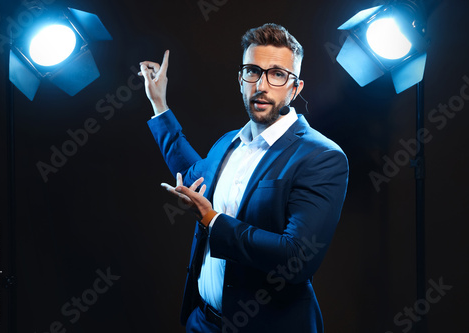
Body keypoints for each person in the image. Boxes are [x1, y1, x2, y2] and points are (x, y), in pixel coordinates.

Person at [139, 23, 348, 333]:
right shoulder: (229, 142)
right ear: (240, 80)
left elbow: (297, 257)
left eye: (277, 74)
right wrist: (160, 106)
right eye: (252, 71)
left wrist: (212, 220)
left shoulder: (321, 156)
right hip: (203, 322)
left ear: (295, 88)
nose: (261, 85)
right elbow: (194, 176)